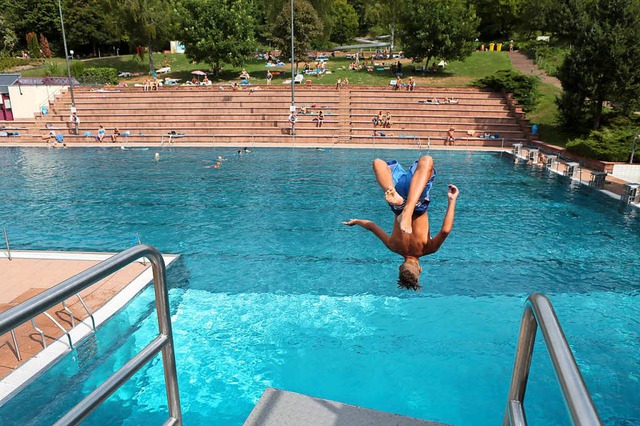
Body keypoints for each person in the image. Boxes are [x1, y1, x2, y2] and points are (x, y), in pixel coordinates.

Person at [343, 156, 459, 290]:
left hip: (418, 200)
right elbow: (371, 226)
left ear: (420, 269)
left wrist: (452, 200)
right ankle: (391, 191)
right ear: (399, 266)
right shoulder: (393, 246)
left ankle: (408, 209)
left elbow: (445, 230)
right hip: (398, 205)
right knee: (378, 163)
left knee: (427, 161)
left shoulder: (428, 249)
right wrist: (356, 221)